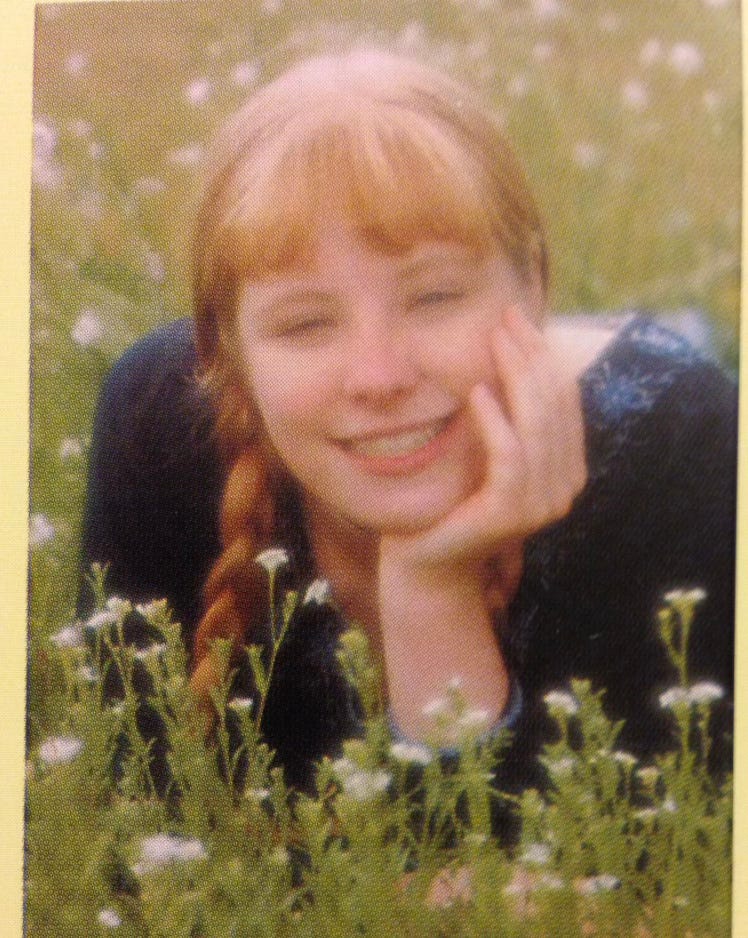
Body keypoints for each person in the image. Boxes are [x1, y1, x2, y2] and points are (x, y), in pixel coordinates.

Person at [79, 49, 736, 805]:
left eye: (433, 298)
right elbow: (121, 836)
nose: (380, 375)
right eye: (305, 323)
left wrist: (434, 588)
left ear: (532, 288)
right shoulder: (159, 419)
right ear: (226, 349)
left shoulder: (681, 446)